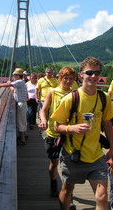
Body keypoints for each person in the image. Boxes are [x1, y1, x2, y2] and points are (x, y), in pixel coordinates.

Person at [53, 57, 113, 210]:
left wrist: (112, 147)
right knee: (67, 190)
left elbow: (107, 123)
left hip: (96, 155)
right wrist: (72, 128)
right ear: (81, 75)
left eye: (97, 73)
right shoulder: (71, 99)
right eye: (89, 73)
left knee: (102, 197)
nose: (94, 76)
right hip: (73, 154)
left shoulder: (104, 98)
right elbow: (56, 126)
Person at [38, 67, 76, 198]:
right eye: (66, 78)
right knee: (54, 163)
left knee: (69, 164)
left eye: (71, 79)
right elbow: (43, 110)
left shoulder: (74, 94)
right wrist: (43, 120)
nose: (68, 81)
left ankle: (68, 192)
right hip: (53, 133)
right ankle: (53, 182)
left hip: (68, 133)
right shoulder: (52, 92)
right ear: (60, 78)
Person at [0, 68, 28, 145]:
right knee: (22, 121)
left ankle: (22, 139)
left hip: (21, 104)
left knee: (21, 122)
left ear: (18, 76)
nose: (13, 77)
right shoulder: (21, 82)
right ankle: (24, 136)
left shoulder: (19, 82)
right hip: (22, 103)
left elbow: (10, 85)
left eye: (14, 75)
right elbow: (12, 88)